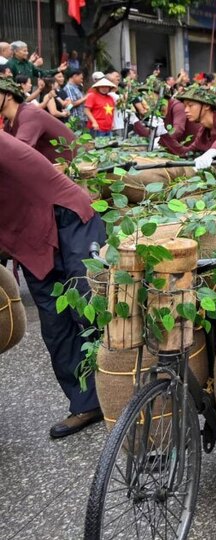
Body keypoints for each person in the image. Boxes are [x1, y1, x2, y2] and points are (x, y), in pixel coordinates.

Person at [0, 131, 105, 437]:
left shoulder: (27, 119)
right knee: (55, 325)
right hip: (27, 235)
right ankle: (87, 403)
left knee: (88, 305)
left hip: (67, 217)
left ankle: (127, 387)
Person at [0, 78, 75, 162]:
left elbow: (18, 152)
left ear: (9, 95)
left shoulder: (28, 114)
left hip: (71, 169)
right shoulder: (8, 125)